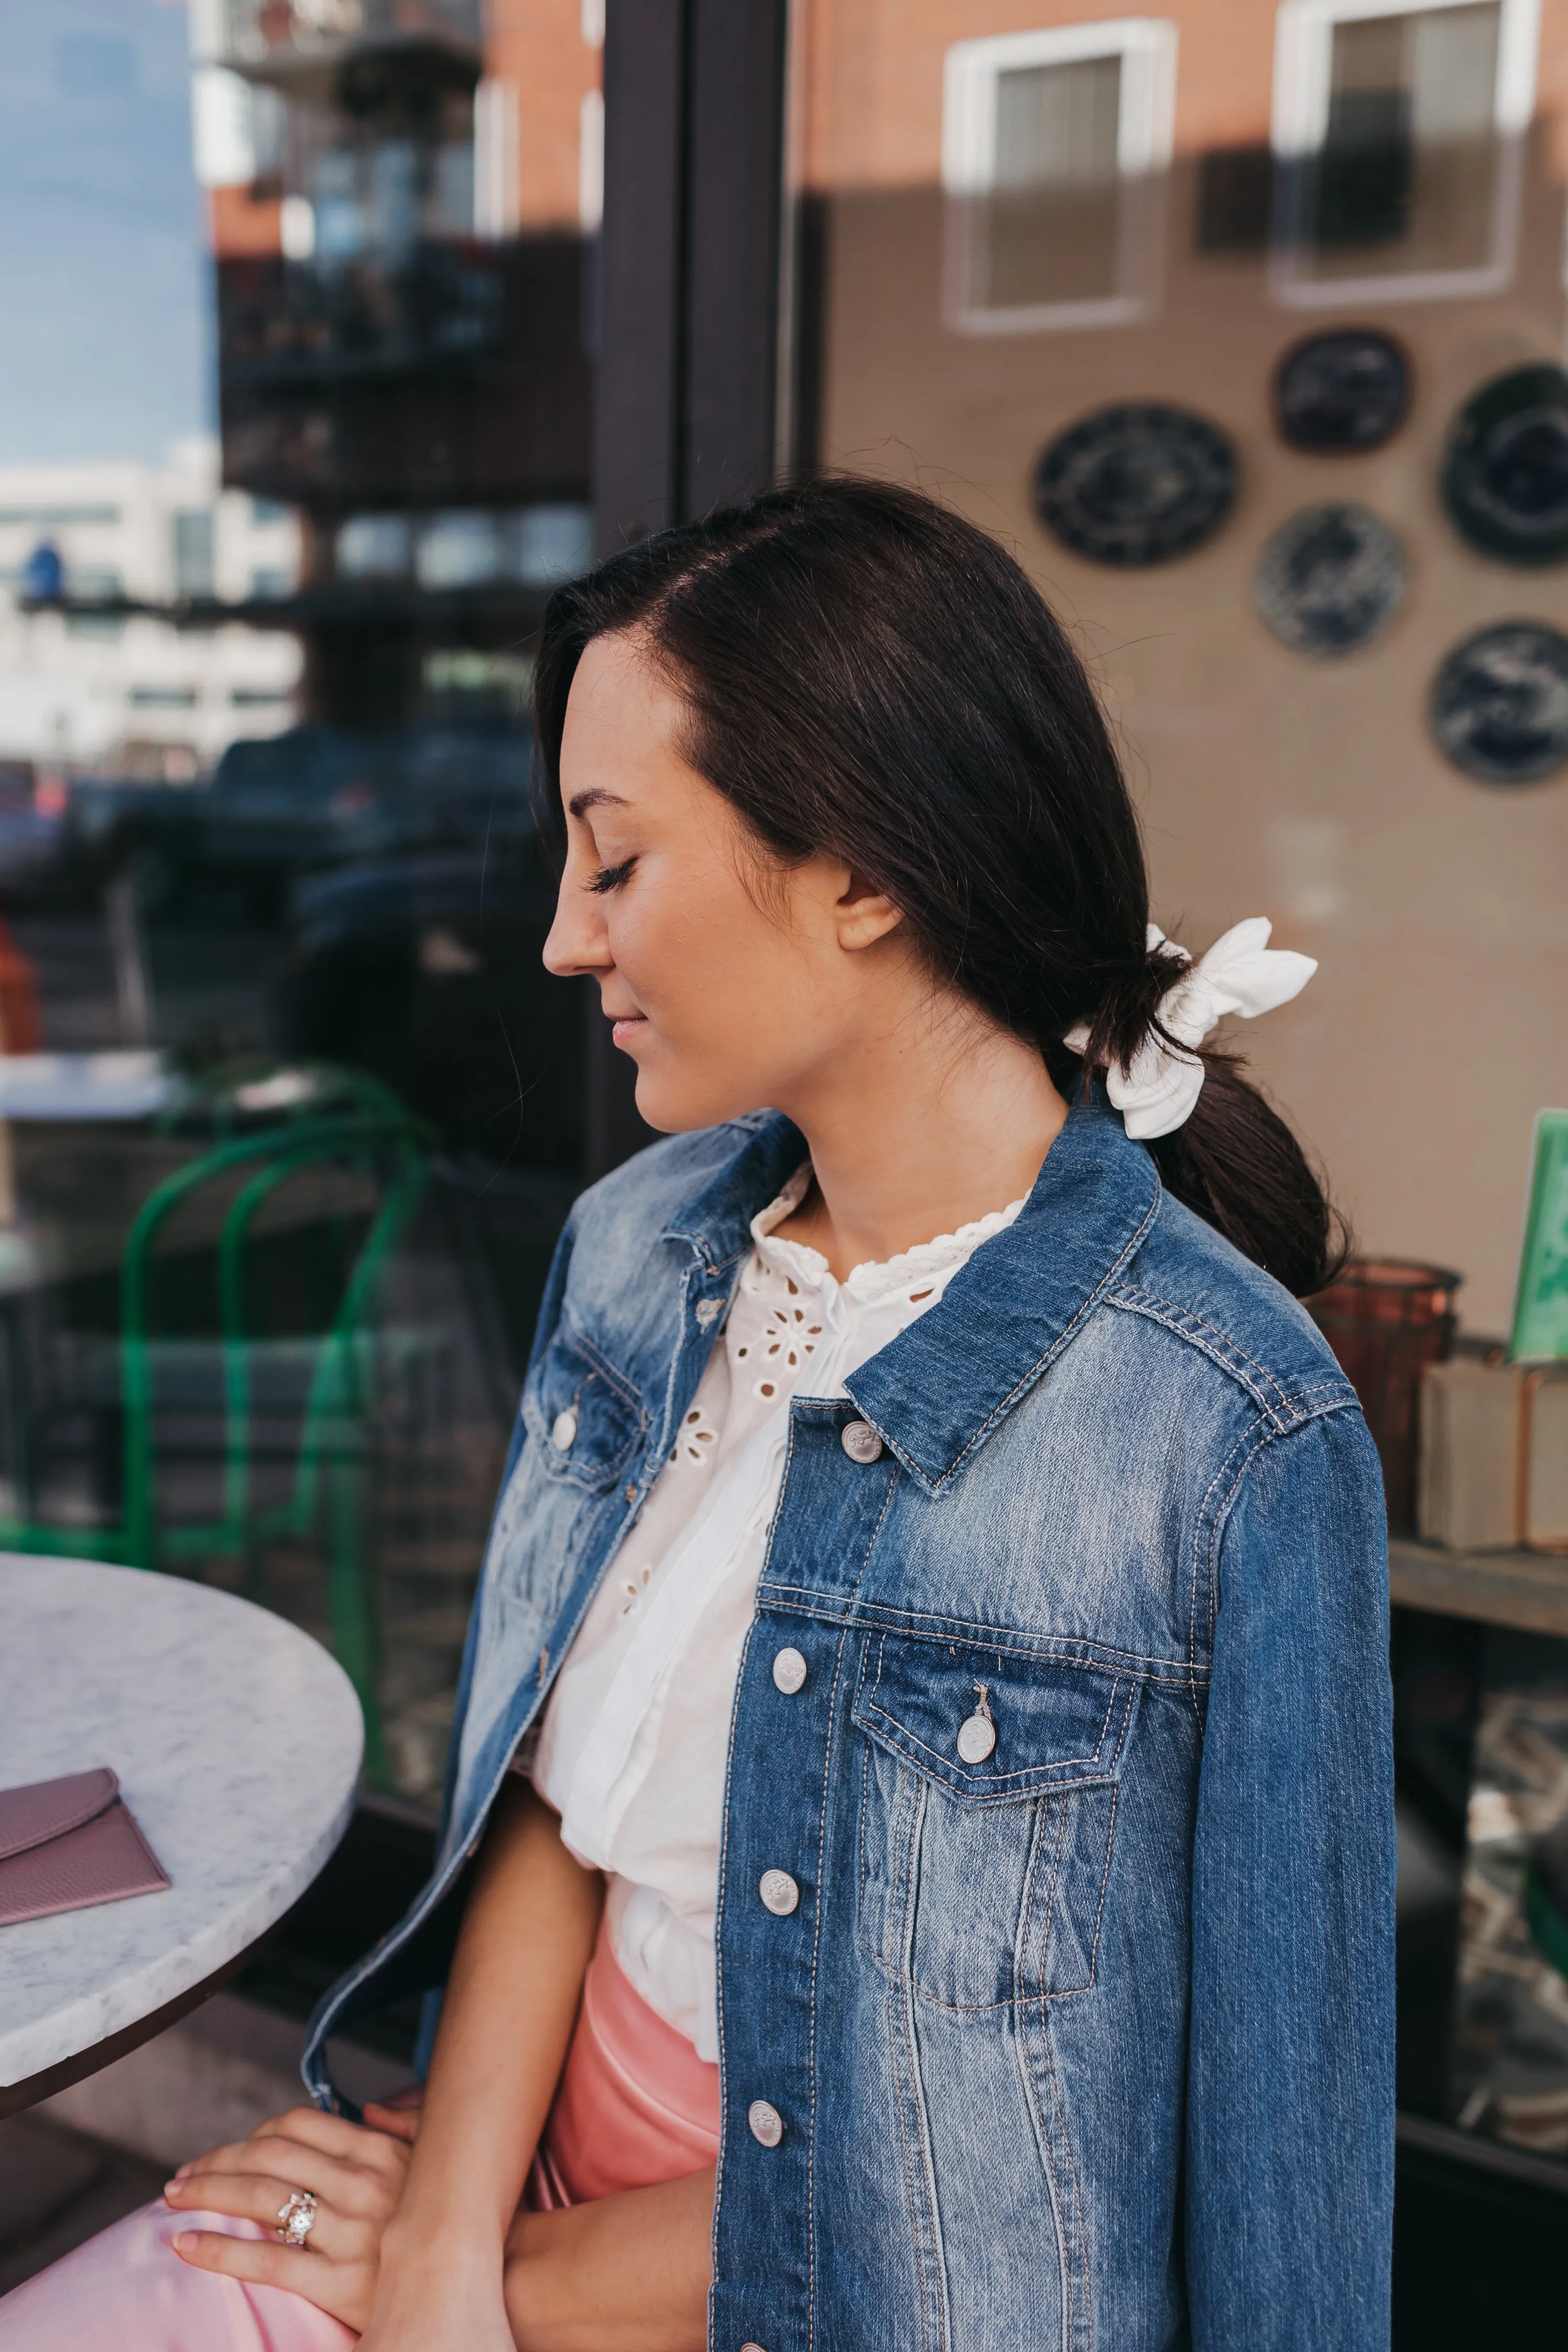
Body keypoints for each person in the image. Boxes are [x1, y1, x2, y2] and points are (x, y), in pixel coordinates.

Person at [0, 477, 1394, 2351]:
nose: (566, 940)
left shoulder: (1224, 1423)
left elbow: (1258, 2180)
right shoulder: (644, 1247)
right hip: (520, 2180)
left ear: (866, 873)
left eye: (615, 855)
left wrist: (504, 2281)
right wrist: (436, 2256)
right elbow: (550, 1821)